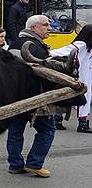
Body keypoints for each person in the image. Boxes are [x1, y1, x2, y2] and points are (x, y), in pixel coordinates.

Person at [6, 15, 58, 178]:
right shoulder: (34, 47)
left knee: (15, 131)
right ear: (33, 28)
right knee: (48, 129)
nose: (49, 27)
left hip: (14, 95)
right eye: (45, 25)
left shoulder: (15, 44)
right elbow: (46, 75)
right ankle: (34, 164)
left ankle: (15, 165)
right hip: (34, 97)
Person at [51, 24, 92, 133]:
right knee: (76, 97)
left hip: (85, 75)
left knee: (68, 96)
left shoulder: (89, 46)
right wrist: (47, 53)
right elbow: (67, 50)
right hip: (78, 76)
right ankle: (82, 124)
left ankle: (58, 120)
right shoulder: (82, 44)